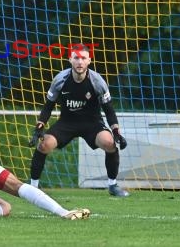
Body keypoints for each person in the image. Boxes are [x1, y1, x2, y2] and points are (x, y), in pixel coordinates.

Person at [29, 44, 130, 197]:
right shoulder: (60, 79)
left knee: (109, 143)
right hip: (67, 123)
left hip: (92, 123)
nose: (80, 62)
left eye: (83, 58)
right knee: (44, 145)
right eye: (76, 58)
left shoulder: (97, 81)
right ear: (70, 59)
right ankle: (33, 188)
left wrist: (116, 132)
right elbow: (48, 107)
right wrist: (39, 128)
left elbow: (109, 109)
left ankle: (112, 185)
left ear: (89, 61)